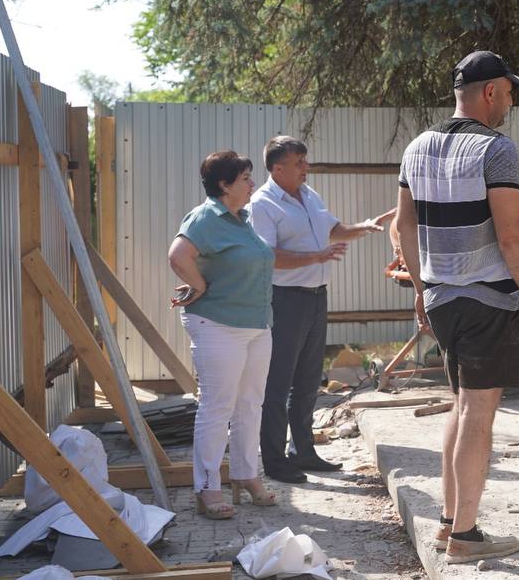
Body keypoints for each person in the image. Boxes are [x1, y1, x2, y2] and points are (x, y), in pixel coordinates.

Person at [395, 50, 519, 564]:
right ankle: (466, 535)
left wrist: (423, 293)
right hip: (487, 299)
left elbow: (402, 227)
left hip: (443, 299)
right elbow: (511, 235)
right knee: (479, 415)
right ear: (490, 92)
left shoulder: (417, 147)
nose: (510, 102)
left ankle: (449, 524)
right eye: (509, 92)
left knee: (463, 406)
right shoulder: (497, 150)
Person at [249, 136, 394, 483]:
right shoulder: (263, 204)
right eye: (298, 162)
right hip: (284, 300)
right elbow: (266, 257)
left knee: (309, 379)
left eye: (305, 160)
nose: (305, 167)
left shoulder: (309, 195)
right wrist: (315, 257)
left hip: (315, 296)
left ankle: (303, 451)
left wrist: (368, 225)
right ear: (277, 167)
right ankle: (274, 459)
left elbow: (335, 231)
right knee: (278, 382)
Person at [168, 150, 278, 519]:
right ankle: (207, 487)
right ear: (224, 185)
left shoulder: (240, 218)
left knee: (250, 404)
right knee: (217, 408)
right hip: (218, 326)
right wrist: (198, 285)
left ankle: (246, 474)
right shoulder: (205, 217)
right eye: (245, 178)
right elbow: (177, 256)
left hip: (257, 326)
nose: (252, 184)